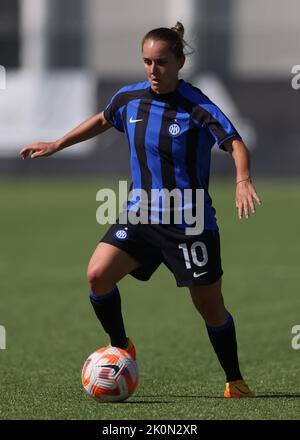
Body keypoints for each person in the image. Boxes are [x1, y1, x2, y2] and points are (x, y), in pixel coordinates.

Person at [20, 22, 262, 398]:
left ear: (180, 61)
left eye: (161, 62)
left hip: (189, 221)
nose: (153, 69)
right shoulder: (129, 98)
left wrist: (242, 179)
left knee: (209, 306)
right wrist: (57, 143)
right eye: (147, 62)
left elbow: (234, 143)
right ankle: (121, 347)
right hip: (140, 215)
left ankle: (235, 380)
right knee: (97, 276)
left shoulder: (198, 105)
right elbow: (102, 120)